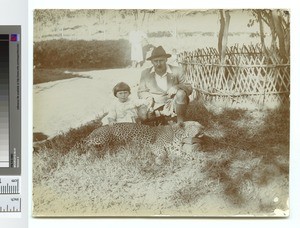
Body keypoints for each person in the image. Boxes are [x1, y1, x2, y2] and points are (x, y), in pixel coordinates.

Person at [138, 46, 193, 123]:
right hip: (154, 103)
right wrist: (148, 98)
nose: (158, 64)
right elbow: (141, 91)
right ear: (151, 62)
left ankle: (180, 123)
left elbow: (189, 87)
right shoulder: (145, 73)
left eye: (161, 61)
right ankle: (160, 117)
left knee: (181, 93)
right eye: (155, 61)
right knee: (143, 116)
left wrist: (177, 87)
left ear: (166, 60)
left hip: (172, 102)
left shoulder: (177, 70)